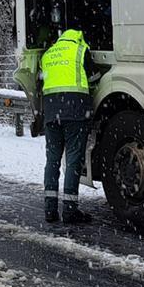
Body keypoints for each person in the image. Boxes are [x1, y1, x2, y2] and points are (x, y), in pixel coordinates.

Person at [40, 28, 101, 224]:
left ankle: (50, 210)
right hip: (75, 111)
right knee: (73, 160)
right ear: (79, 38)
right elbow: (94, 78)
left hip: (51, 113)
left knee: (52, 160)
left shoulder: (49, 53)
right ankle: (69, 210)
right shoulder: (81, 50)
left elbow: (40, 81)